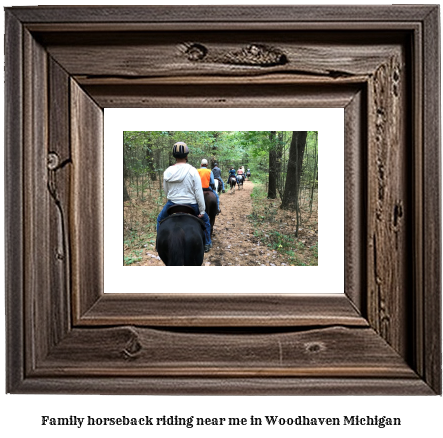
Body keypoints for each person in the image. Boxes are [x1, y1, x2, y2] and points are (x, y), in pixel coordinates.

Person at [156, 142, 212, 252]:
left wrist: (173, 197)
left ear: (174, 156)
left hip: (172, 204)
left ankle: (158, 244)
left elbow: (166, 190)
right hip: (191, 205)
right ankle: (207, 243)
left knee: (159, 220)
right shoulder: (192, 170)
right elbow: (198, 192)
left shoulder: (167, 171)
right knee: (206, 220)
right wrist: (202, 210)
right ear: (186, 155)